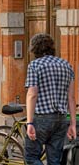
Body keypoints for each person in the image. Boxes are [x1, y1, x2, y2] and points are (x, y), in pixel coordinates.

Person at [24, 33, 76, 165]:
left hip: (41, 118)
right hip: (61, 119)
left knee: (31, 157)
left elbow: (32, 94)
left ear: (34, 49)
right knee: (54, 160)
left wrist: (29, 122)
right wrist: (73, 124)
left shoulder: (35, 65)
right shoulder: (66, 65)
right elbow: (71, 97)